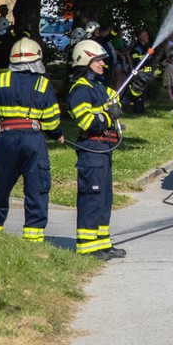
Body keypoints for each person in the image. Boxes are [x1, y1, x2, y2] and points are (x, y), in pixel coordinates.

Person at [0, 38, 62, 243]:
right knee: (36, 186)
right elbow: (51, 120)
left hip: (6, 139)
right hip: (32, 140)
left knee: (1, 185)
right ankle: (33, 236)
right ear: (37, 58)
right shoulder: (43, 84)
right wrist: (57, 135)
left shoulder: (1, 81)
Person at [67, 38, 125, 259]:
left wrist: (137, 88)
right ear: (85, 60)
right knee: (92, 196)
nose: (103, 64)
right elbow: (86, 121)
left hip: (104, 148)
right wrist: (106, 115)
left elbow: (119, 102)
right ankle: (87, 247)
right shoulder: (80, 90)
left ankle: (102, 243)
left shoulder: (99, 88)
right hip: (92, 148)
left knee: (104, 197)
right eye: (98, 60)